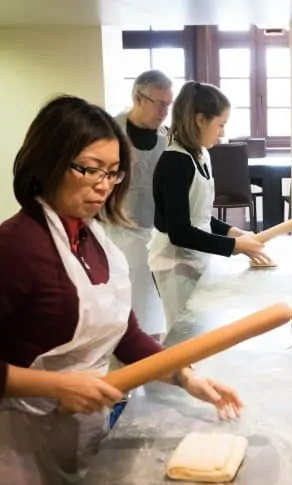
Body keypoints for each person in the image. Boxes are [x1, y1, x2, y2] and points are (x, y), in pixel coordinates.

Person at [0, 95, 242, 484]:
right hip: (20, 448)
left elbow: (124, 334)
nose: (104, 187)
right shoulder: (15, 247)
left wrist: (183, 375)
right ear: (48, 163)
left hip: (84, 437)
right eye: (90, 170)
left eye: (113, 173)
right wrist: (56, 385)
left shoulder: (96, 239)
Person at [148, 81, 270, 334]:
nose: (222, 132)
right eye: (221, 124)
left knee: (200, 329)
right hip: (174, 263)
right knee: (182, 334)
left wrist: (231, 232)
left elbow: (199, 214)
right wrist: (235, 247)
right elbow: (179, 231)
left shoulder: (201, 154)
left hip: (194, 256)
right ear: (200, 119)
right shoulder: (175, 162)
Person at [106, 70, 173, 340]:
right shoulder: (110, 132)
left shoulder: (165, 137)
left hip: (154, 231)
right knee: (125, 304)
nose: (165, 111)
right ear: (138, 97)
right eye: (160, 103)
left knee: (153, 306)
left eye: (169, 105)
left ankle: (149, 350)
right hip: (117, 231)